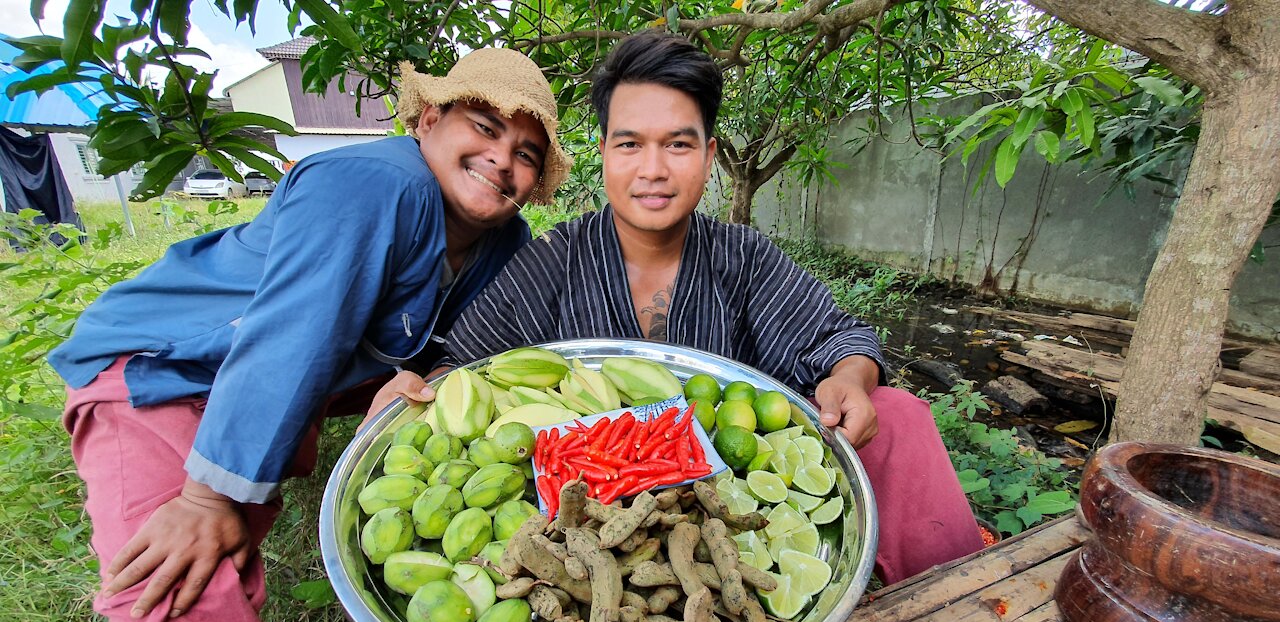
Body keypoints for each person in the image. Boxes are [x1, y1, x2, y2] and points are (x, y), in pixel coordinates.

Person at [48, 49, 571, 622]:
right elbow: (293, 333)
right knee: (177, 577)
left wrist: (423, 378)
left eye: (527, 153)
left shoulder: (503, 245)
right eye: (485, 126)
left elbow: (468, 353)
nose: (504, 158)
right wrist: (207, 500)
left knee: (230, 536)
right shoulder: (371, 183)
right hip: (166, 368)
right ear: (430, 120)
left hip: (294, 376)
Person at [377, 32, 985, 587]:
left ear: (709, 153)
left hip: (726, 497)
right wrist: (414, 389)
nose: (653, 169)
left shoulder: (742, 257)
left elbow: (838, 336)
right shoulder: (555, 260)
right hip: (591, 516)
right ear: (605, 151)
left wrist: (850, 377)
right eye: (631, 144)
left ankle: (953, 613)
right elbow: (465, 366)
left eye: (677, 144)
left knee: (899, 415)